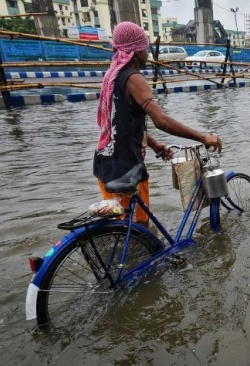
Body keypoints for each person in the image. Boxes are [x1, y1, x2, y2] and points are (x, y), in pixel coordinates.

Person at [93, 22, 222, 224]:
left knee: (120, 224)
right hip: (126, 166)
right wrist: (203, 137)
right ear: (135, 52)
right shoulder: (134, 79)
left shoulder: (113, 77)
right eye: (145, 49)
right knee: (140, 226)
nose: (147, 54)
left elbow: (119, 122)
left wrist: (154, 144)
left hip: (104, 163)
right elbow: (161, 120)